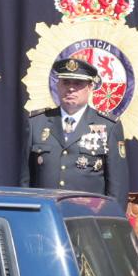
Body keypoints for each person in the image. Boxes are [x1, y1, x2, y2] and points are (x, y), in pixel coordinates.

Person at [21, 56, 129, 203]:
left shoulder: (109, 126)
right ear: (58, 85)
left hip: (87, 219)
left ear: (90, 87)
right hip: (46, 217)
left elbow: (117, 186)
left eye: (78, 83)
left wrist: (111, 224)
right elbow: (25, 182)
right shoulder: (37, 123)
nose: (71, 88)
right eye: (66, 82)